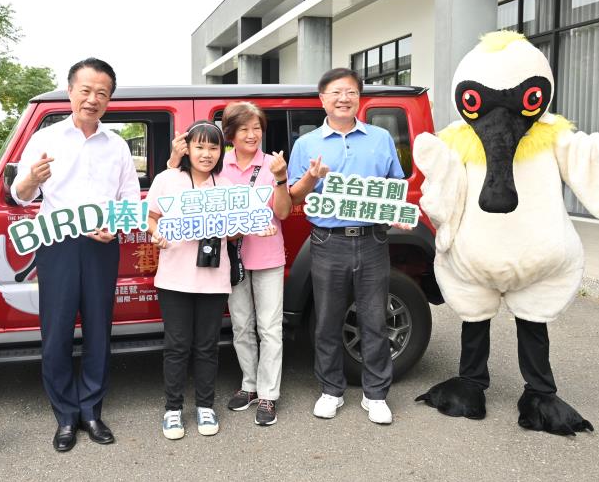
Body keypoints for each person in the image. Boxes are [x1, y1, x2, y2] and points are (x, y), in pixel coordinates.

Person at [10, 58, 139, 453]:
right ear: (70, 92)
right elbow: (19, 193)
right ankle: (65, 415)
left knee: (100, 330)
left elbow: (130, 200)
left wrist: (116, 226)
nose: (92, 99)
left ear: (109, 99)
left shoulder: (116, 145)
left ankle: (91, 410)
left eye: (102, 92)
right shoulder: (46, 138)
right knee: (57, 332)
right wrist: (31, 179)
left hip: (102, 245)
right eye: (85, 90)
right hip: (57, 246)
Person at [286, 68, 408, 425]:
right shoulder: (307, 144)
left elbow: (394, 185)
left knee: (374, 318)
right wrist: (312, 176)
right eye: (336, 92)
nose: (344, 98)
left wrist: (398, 212)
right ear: (322, 98)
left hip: (372, 239)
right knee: (327, 320)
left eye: (351, 92)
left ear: (359, 98)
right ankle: (331, 391)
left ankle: (376, 395)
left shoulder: (381, 138)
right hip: (328, 242)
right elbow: (294, 195)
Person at [148, 121, 238, 440]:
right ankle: (173, 410)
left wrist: (243, 226)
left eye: (214, 147)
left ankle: (205, 406)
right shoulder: (168, 179)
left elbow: (236, 230)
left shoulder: (226, 187)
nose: (207, 153)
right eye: (200, 146)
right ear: (187, 148)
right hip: (173, 278)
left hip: (214, 280)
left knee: (206, 347)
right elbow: (151, 217)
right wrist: (156, 234)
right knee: (176, 346)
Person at [217, 102, 292, 426]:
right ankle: (249, 384)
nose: (252, 134)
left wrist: (280, 179)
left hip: (268, 258)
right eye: (244, 128)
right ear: (231, 133)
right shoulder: (219, 167)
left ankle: (268, 394)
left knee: (270, 328)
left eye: (257, 128)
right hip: (232, 259)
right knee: (242, 326)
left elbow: (285, 212)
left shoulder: (272, 164)